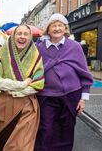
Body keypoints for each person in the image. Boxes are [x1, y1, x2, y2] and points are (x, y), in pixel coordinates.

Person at [34, 13, 93, 151]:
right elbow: (32, 70)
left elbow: (85, 74)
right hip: (45, 96)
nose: (57, 28)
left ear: (65, 28)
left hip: (71, 95)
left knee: (66, 130)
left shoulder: (75, 46)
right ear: (48, 29)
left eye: (60, 25)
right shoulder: (39, 47)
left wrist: (83, 99)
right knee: (45, 129)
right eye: (53, 25)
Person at [0, 25, 45, 151]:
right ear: (13, 36)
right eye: (19, 33)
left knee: (20, 145)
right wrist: (22, 84)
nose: (22, 36)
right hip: (5, 104)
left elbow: (38, 84)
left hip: (27, 105)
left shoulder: (36, 56)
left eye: (26, 34)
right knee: (0, 141)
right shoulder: (2, 54)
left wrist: (15, 90)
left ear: (30, 37)